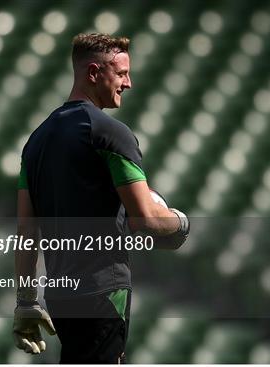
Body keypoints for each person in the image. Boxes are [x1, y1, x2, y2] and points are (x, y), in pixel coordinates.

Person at [12, 33, 189, 364]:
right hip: (103, 293)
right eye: (121, 74)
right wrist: (180, 223)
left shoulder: (35, 142)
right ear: (93, 73)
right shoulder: (110, 133)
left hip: (61, 296)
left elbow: (26, 230)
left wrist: (26, 301)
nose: (129, 83)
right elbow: (146, 219)